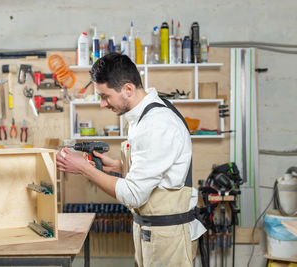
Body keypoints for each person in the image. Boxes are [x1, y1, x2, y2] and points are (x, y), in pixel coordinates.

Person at [56, 53, 205, 266]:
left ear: (128, 89)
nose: (102, 104)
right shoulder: (140, 116)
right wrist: (119, 166)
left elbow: (134, 194)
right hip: (151, 230)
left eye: (105, 96)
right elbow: (157, 167)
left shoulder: (156, 124)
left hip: (168, 236)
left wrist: (85, 169)